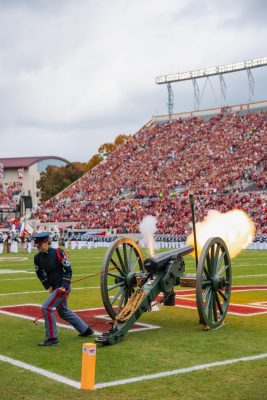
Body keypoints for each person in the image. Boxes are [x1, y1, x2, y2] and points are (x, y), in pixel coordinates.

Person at [32, 232, 94, 346]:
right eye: (37, 246)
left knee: (46, 307)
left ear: (46, 243)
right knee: (63, 312)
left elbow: (68, 270)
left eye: (40, 245)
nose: (38, 248)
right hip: (54, 287)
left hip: (63, 287)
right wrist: (48, 285)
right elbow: (39, 273)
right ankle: (86, 330)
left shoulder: (57, 252)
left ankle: (52, 338)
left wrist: (64, 286)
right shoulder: (37, 258)